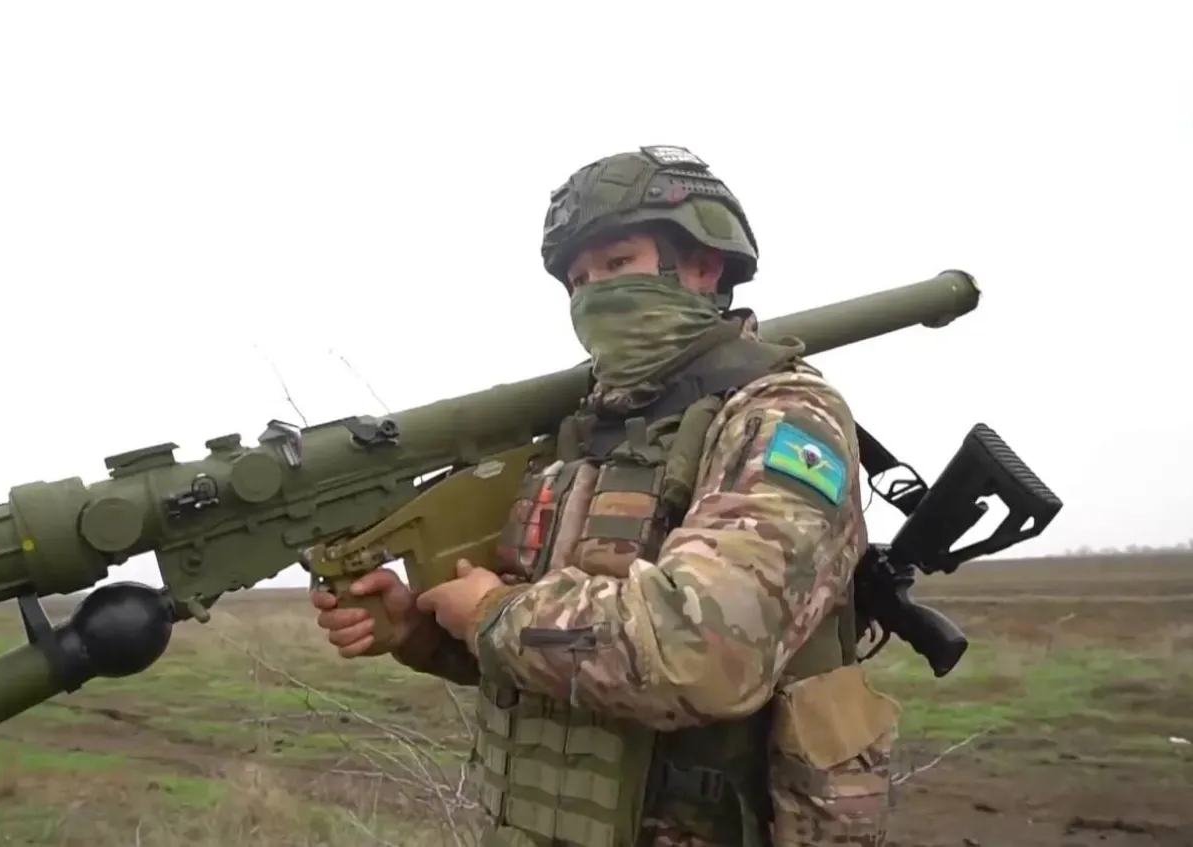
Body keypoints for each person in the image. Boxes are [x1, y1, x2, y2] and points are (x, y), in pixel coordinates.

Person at [311, 145, 902, 847]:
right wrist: (420, 629)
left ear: (704, 265)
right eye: (577, 279)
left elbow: (705, 651)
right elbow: (557, 657)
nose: (592, 293)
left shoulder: (780, 418)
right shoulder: (586, 437)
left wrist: (494, 615)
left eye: (617, 264)